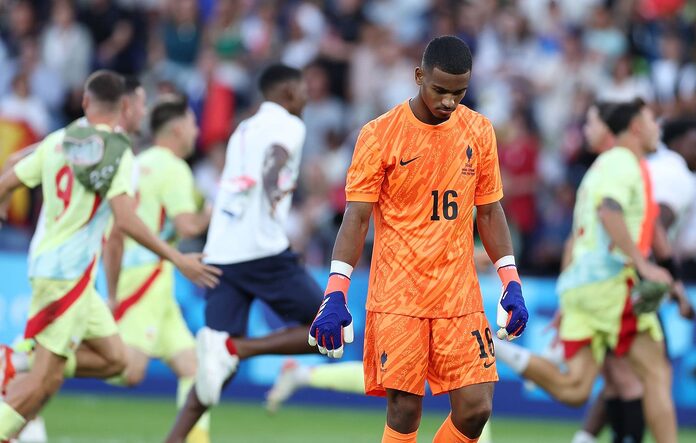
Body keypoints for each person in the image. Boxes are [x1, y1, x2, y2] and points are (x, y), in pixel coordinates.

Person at [307, 35, 528, 442]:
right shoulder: (379, 135)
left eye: (459, 93)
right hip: (398, 296)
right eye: (440, 90)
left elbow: (490, 211)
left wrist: (510, 281)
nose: (449, 102)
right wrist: (335, 292)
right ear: (418, 75)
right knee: (405, 409)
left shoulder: (479, 131)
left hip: (458, 295)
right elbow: (355, 219)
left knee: (477, 408)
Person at [0, 70, 220, 441]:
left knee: (117, 359)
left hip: (70, 275)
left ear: (86, 103)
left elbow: (7, 180)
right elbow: (125, 221)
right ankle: (14, 378)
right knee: (41, 381)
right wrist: (178, 258)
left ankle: (20, 361)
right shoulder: (118, 153)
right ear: (124, 107)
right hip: (65, 276)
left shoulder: (58, 141)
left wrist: (4, 199)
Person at [494, 99, 680, 443]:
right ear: (636, 128)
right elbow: (611, 212)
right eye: (653, 121)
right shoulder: (624, 162)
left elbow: (576, 241)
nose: (659, 129)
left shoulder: (599, 168)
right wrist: (643, 266)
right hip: (611, 284)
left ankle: (497, 347)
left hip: (581, 287)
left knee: (576, 387)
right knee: (656, 374)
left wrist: (568, 296)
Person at [164, 64, 324, 443]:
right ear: (287, 94)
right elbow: (276, 162)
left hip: (221, 253)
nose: (306, 99)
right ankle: (238, 347)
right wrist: (274, 215)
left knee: (216, 372)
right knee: (331, 328)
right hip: (263, 250)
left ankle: (174, 437)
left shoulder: (242, 129)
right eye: (302, 92)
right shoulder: (291, 125)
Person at [103, 95, 212, 443]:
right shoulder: (175, 167)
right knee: (130, 371)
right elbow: (188, 225)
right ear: (178, 129)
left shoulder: (139, 161)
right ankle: (37, 362)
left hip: (148, 274)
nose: (197, 131)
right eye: (194, 123)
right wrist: (209, 213)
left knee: (193, 369)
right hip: (147, 275)